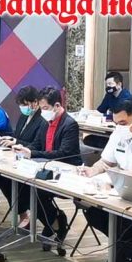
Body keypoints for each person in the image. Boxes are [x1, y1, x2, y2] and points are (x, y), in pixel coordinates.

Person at [79, 98, 132, 262]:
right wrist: (92, 171)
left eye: (123, 123)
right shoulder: (120, 131)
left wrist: (110, 179)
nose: (119, 127)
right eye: (116, 123)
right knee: (93, 211)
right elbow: (106, 161)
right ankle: (125, 258)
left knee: (124, 223)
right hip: (125, 191)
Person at [13, 86, 81, 241]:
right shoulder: (45, 121)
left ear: (57, 106)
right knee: (22, 185)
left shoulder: (70, 124)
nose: (42, 112)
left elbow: (63, 153)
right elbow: (37, 144)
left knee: (34, 189)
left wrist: (32, 153)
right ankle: (54, 221)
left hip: (66, 172)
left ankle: (55, 221)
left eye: (45, 108)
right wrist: (23, 149)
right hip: (47, 168)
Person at [0, 86, 47, 229]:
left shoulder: (42, 120)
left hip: (31, 160)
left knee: (6, 178)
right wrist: (9, 139)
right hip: (15, 157)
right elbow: (17, 136)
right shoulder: (24, 116)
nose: (23, 108)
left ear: (35, 102)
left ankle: (24, 215)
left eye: (25, 104)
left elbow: (38, 145)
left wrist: (16, 142)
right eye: (21, 104)